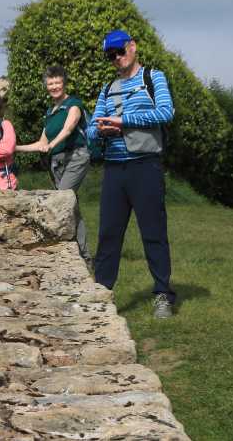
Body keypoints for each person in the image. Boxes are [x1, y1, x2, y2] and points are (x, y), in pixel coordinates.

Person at [88, 29, 176, 318]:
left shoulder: (153, 78)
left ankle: (163, 294)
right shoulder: (107, 89)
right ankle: (101, 295)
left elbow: (166, 112)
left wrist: (124, 121)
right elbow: (91, 128)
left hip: (145, 167)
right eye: (110, 55)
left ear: (133, 47)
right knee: (109, 235)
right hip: (114, 169)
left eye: (119, 51)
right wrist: (100, 130)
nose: (116, 58)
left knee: (153, 233)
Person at [16, 66, 93, 264]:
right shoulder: (50, 112)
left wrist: (51, 144)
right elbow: (41, 143)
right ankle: (83, 254)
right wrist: (15, 148)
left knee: (61, 200)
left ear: (64, 83)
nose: (54, 86)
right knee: (71, 205)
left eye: (57, 82)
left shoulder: (73, 104)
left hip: (76, 157)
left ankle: (71, 251)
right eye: (50, 83)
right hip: (57, 163)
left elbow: (68, 129)